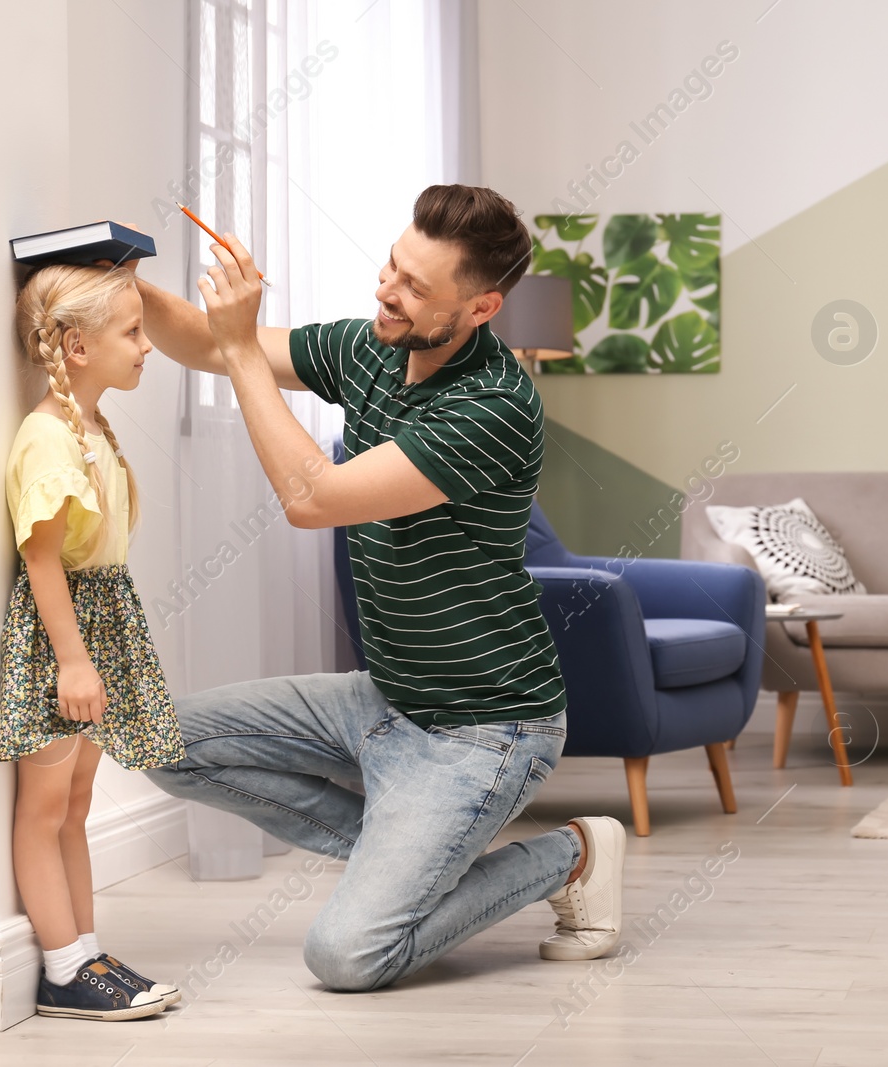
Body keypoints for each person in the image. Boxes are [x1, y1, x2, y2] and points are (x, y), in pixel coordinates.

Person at [136, 185, 626, 992]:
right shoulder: (371, 346)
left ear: (481, 307)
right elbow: (205, 343)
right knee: (156, 733)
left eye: (414, 287)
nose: (385, 292)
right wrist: (122, 280)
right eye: (391, 266)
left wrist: (238, 351)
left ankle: (573, 851)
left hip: (487, 725)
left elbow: (311, 499)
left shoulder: (493, 405)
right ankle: (405, 849)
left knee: (348, 955)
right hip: (386, 701)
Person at [1, 264, 187, 1020]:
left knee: (75, 802)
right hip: (63, 636)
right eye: (133, 332)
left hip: (98, 617)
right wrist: (73, 660)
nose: (147, 346)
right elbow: (41, 557)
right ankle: (61, 964)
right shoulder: (47, 439)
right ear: (76, 346)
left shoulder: (92, 426)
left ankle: (86, 949)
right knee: (45, 806)